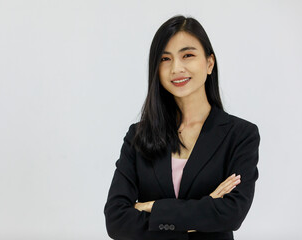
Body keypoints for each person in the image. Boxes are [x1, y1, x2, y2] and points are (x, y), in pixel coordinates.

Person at [104, 15, 260, 240]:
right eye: (165, 59)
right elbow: (116, 222)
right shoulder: (137, 135)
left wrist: (154, 207)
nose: (176, 68)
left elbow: (232, 215)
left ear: (209, 63)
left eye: (188, 55)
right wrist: (203, 212)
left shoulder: (240, 135)